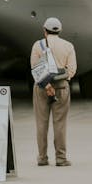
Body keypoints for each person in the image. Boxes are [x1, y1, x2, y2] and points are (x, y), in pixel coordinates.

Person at [30, 17, 77, 167]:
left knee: (41, 124)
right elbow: (71, 70)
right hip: (62, 87)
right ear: (60, 30)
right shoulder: (68, 46)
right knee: (60, 124)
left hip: (42, 86)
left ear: (45, 30)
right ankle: (61, 158)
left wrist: (47, 84)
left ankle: (43, 158)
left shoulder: (38, 45)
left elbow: (35, 68)